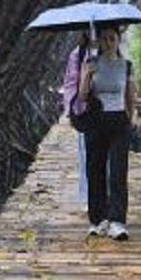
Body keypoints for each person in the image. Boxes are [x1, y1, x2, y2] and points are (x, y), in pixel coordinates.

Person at [79, 24, 137, 240]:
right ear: (99, 41)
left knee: (118, 172)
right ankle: (97, 220)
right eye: (104, 39)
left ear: (118, 40)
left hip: (119, 121)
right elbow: (83, 96)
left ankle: (117, 222)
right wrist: (87, 75)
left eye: (112, 39)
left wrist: (133, 120)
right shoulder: (91, 63)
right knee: (95, 170)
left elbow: (131, 95)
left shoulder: (126, 66)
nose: (108, 43)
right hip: (95, 121)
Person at [61, 31, 92, 204]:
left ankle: (107, 198)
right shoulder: (77, 54)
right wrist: (73, 110)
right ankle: (88, 197)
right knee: (85, 155)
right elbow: (70, 83)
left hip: (109, 112)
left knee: (108, 158)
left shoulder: (110, 49)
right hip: (85, 111)